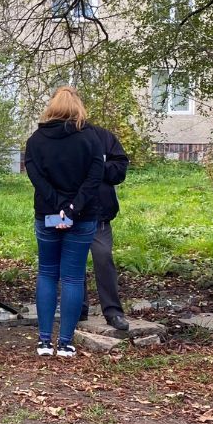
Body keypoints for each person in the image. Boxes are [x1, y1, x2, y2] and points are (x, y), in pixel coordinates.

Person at [24, 86, 105, 357]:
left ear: (52, 108)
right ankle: (66, 343)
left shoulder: (36, 139)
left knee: (47, 273)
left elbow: (35, 177)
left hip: (46, 214)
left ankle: (44, 341)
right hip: (82, 217)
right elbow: (95, 177)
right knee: (72, 276)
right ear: (78, 107)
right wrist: (72, 208)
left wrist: (58, 205)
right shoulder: (91, 138)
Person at [79, 124, 131, 332]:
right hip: (69, 212)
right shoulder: (60, 135)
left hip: (99, 213)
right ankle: (78, 309)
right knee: (73, 263)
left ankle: (113, 312)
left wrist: (96, 167)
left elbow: (120, 168)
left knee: (103, 257)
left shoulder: (102, 136)